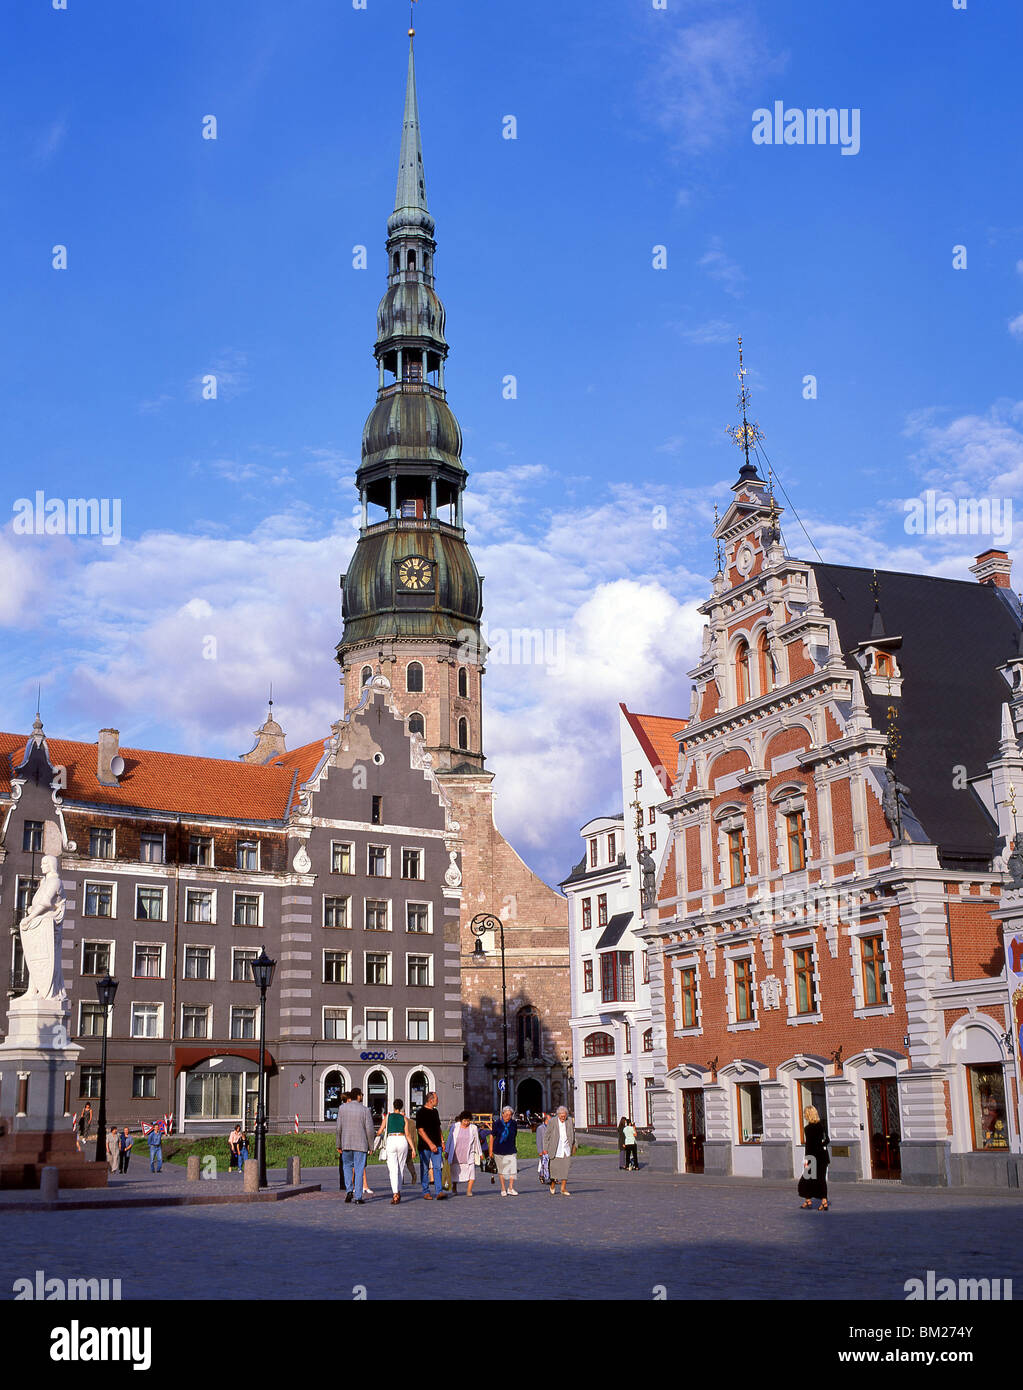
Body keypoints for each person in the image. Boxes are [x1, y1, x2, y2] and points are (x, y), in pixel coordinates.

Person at [336, 1086, 375, 1204]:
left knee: (347, 1167)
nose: (362, 1096)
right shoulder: (365, 1110)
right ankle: (358, 1197)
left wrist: (338, 1144)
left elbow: (339, 1128)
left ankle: (349, 1191)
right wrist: (371, 1146)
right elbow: (369, 1130)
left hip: (346, 1143)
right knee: (359, 1169)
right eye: (362, 1094)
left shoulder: (342, 1108)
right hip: (361, 1145)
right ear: (358, 1096)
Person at [377, 1099, 416, 1205]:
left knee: (393, 1169)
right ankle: (398, 1191)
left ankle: (395, 1193)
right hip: (402, 1140)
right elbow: (408, 1134)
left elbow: (380, 1131)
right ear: (402, 1107)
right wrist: (413, 1148)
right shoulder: (404, 1118)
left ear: (393, 1106)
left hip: (391, 1140)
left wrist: (376, 1136)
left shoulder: (387, 1117)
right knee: (401, 1167)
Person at [798, 1106, 830, 1211]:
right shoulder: (821, 1126)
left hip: (813, 1158)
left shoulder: (808, 1129)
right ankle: (824, 1201)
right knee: (821, 1180)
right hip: (823, 1157)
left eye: (805, 1114)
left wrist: (806, 1161)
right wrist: (821, 1144)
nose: (804, 1115)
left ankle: (808, 1200)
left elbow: (809, 1146)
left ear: (808, 1115)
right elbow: (827, 1140)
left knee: (805, 1180)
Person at [415, 1092, 446, 1200]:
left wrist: (442, 1141)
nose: (438, 1101)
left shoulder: (435, 1112)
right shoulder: (420, 1113)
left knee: (437, 1167)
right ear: (431, 1100)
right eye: (436, 1099)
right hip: (425, 1147)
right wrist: (430, 1144)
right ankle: (426, 1191)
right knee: (425, 1168)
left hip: (437, 1145)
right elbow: (420, 1130)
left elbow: (438, 1127)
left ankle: (439, 1191)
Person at [445, 1110, 482, 1196]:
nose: (466, 1122)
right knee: (454, 1172)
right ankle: (454, 1187)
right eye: (465, 1120)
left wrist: (480, 1153)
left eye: (468, 1120)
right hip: (456, 1154)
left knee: (471, 1172)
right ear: (461, 1120)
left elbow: (477, 1141)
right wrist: (447, 1151)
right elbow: (450, 1139)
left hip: (469, 1154)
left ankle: (469, 1190)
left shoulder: (473, 1128)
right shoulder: (455, 1126)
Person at [543, 1105, 575, 1196]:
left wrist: (573, 1145)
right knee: (554, 1170)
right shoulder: (552, 1121)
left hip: (566, 1149)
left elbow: (572, 1133)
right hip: (555, 1149)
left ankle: (563, 1188)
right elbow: (547, 1136)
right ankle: (552, 1184)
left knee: (565, 1169)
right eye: (561, 1116)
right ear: (558, 1115)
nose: (563, 1118)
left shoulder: (569, 1121)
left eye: (564, 1116)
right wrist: (545, 1148)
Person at [489, 1105, 519, 1196]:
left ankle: (510, 1188)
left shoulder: (514, 1123)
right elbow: (491, 1136)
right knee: (501, 1170)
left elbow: (515, 1135)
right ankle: (503, 1188)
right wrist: (490, 1151)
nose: (508, 1117)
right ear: (502, 1114)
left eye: (510, 1115)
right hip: (499, 1149)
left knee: (512, 1170)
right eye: (506, 1115)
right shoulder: (497, 1123)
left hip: (511, 1149)